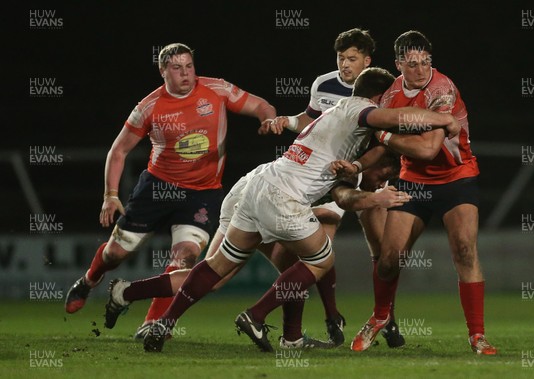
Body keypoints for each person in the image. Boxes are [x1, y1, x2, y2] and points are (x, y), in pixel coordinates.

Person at [102, 67, 459, 353]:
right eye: (388, 100)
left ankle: (165, 322)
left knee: (218, 267)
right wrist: (443, 119)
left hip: (262, 187)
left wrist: (371, 193)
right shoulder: (358, 109)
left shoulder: (339, 118)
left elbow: (342, 188)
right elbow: (401, 119)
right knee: (320, 260)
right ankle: (256, 316)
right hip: (284, 196)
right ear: (379, 97)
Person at [103, 153, 409, 350]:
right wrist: (331, 314)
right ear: (376, 164)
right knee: (306, 261)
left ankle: (126, 293)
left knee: (265, 268)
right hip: (261, 199)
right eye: (384, 174)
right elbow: (325, 235)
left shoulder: (345, 155)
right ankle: (271, 326)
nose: (382, 182)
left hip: (255, 190)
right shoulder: (346, 175)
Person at [63, 43, 277, 324]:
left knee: (185, 258)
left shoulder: (217, 89)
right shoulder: (149, 106)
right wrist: (110, 195)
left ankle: (151, 324)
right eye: (177, 68)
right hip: (156, 189)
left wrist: (268, 119)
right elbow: (118, 151)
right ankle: (90, 280)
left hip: (201, 193)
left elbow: (262, 105)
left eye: (189, 66)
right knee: (116, 254)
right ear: (163, 71)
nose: (186, 74)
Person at [348, 30, 497, 355]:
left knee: (465, 252)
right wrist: (357, 167)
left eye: (425, 62)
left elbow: (429, 149)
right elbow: (379, 147)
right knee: (388, 260)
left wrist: (384, 136)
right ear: (399, 64)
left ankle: (477, 335)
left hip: (457, 178)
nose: (420, 70)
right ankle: (379, 318)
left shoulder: (441, 90)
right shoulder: (389, 98)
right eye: (412, 64)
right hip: (413, 182)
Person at [269, 27, 404, 348]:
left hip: (366, 174)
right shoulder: (324, 84)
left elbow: (385, 138)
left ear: (367, 61)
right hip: (329, 175)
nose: (345, 64)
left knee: (383, 252)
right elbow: (310, 120)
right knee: (317, 251)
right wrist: (286, 121)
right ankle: (331, 316)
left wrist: (368, 166)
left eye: (352, 59)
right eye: (341, 58)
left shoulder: (381, 88)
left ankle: (386, 318)